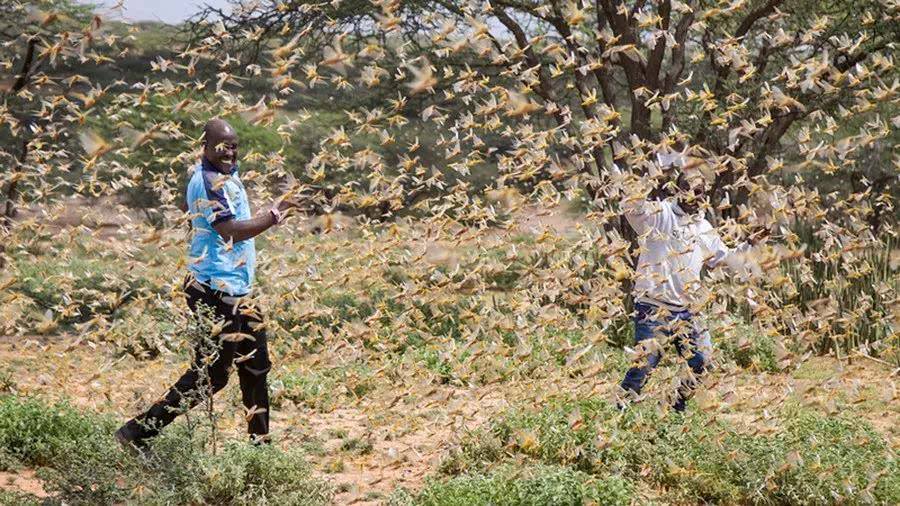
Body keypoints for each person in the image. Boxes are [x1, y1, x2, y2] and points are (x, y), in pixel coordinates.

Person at [116, 118, 302, 449]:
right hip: (214, 290)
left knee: (257, 366)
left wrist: (272, 210)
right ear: (206, 146)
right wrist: (272, 217)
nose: (230, 151)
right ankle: (136, 433)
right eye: (222, 145)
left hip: (238, 290)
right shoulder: (208, 181)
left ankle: (260, 447)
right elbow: (229, 230)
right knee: (212, 375)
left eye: (234, 146)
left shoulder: (227, 176)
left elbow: (232, 223)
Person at [615, 152, 757, 412]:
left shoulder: (703, 227)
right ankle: (620, 414)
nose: (696, 197)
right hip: (653, 307)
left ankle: (675, 406)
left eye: (701, 192)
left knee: (702, 362)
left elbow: (725, 258)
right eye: (690, 190)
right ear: (677, 191)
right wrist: (653, 171)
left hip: (688, 311)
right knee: (645, 363)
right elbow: (630, 206)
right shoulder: (660, 214)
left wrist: (752, 243)